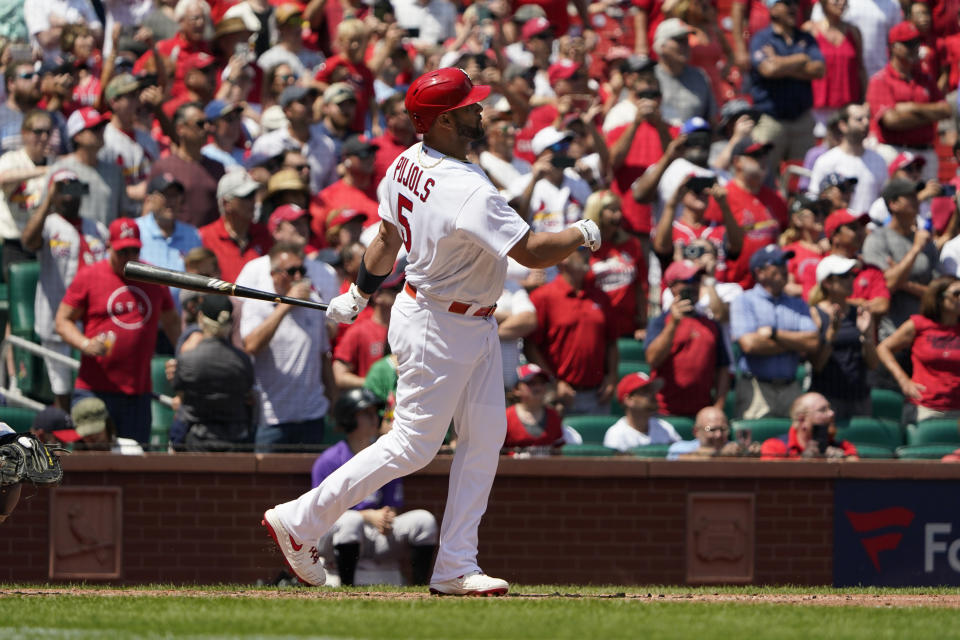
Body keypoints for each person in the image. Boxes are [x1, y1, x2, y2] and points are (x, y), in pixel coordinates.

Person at [261, 68, 601, 595]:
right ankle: (300, 520)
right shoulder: (466, 188)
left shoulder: (405, 163)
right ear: (444, 120)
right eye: (469, 106)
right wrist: (583, 231)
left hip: (469, 319)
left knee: (486, 437)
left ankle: (455, 565)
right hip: (438, 323)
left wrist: (358, 293)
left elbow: (385, 239)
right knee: (413, 445)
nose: (479, 111)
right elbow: (532, 251)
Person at [54, 219, 180, 444]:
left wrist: (182, 356)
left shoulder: (154, 278)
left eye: (134, 250)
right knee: (89, 462)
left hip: (137, 392)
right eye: (123, 251)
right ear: (109, 246)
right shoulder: (90, 276)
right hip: (95, 389)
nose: (129, 257)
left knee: (134, 464)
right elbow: (62, 320)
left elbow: (172, 322)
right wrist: (85, 344)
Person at [310, 387, 438, 586]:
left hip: (376, 532)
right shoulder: (328, 461)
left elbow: (392, 503)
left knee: (425, 521)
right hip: (335, 535)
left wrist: (387, 516)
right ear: (349, 418)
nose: (375, 418)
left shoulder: (385, 457)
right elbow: (320, 514)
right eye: (366, 413)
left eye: (374, 413)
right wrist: (367, 516)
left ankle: (421, 587)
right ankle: (347, 588)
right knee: (351, 522)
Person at [22, 169, 109, 411]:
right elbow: (28, 241)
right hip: (57, 319)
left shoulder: (97, 228)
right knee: (62, 390)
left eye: (74, 187)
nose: (69, 195)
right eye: (63, 188)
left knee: (91, 387)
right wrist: (48, 200)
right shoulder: (48, 224)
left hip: (93, 321)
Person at [240, 243, 334, 453]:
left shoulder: (314, 304)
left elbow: (323, 357)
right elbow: (252, 345)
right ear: (274, 275)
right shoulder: (258, 304)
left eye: (302, 270)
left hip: (311, 416)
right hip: (273, 418)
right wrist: (285, 306)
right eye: (291, 271)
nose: (298, 276)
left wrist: (333, 401)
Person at [731, 244, 820, 419]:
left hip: (790, 387)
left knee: (792, 442)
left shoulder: (798, 303)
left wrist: (774, 334)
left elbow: (813, 342)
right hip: (755, 388)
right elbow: (749, 344)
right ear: (760, 272)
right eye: (777, 263)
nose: (784, 268)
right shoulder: (744, 301)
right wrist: (794, 344)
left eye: (785, 263)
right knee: (755, 443)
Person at [526, 248, 618, 415]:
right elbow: (530, 347)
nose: (587, 255)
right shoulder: (543, 296)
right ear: (563, 258)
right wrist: (554, 383)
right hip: (559, 395)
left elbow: (611, 342)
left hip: (597, 395)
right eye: (580, 250)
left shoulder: (601, 297)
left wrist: (611, 377)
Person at [748, 0, 825, 177]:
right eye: (787, 3)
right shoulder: (761, 39)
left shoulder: (805, 38)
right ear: (773, 9)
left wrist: (780, 62)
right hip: (771, 120)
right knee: (762, 176)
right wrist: (800, 59)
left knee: (801, 179)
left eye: (795, 4)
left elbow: (819, 70)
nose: (793, 7)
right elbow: (768, 70)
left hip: (802, 120)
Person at [866, 21, 950, 179]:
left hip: (925, 151)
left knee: (926, 202)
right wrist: (929, 114)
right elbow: (891, 121)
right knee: (895, 201)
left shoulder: (925, 78)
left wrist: (910, 107)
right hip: (894, 150)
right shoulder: (881, 79)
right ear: (893, 47)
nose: (915, 48)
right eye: (909, 44)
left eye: (917, 43)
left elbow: (945, 110)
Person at [646, 259, 730, 417]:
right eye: (687, 281)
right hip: (663, 412)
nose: (693, 285)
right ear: (672, 286)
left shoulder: (711, 324)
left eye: (697, 280)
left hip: (700, 414)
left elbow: (723, 369)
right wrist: (673, 324)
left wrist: (718, 406)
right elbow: (653, 359)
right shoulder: (660, 322)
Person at [862, 178, 940, 346]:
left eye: (916, 195)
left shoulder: (926, 241)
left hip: (925, 336)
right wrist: (915, 249)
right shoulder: (877, 239)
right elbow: (885, 286)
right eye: (909, 196)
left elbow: (939, 293)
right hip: (890, 337)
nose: (916, 199)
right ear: (893, 204)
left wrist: (903, 282)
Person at [173, 295, 256, 452]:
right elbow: (247, 394)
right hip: (235, 442)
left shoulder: (188, 359)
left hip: (196, 443)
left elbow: (180, 394)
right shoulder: (242, 361)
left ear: (201, 317)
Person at [877, 276, 960, 422]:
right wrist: (904, 381)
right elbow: (883, 348)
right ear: (939, 298)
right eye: (957, 293)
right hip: (925, 408)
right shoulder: (919, 324)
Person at [807, 254, 879, 420]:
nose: (851, 279)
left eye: (852, 275)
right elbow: (817, 365)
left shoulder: (861, 313)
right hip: (828, 398)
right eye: (844, 276)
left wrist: (867, 336)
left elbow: (873, 364)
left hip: (859, 398)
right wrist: (832, 332)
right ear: (827, 282)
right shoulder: (814, 314)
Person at [46, 107, 130, 227]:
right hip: (72, 242)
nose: (101, 132)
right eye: (94, 129)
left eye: (102, 127)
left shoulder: (115, 172)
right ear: (77, 136)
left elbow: (122, 213)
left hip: (105, 242)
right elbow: (48, 209)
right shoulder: (62, 170)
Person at [147, 103, 226, 229]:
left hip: (209, 245)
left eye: (208, 123)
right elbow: (149, 210)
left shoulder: (218, 168)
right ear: (180, 129)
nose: (206, 128)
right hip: (178, 244)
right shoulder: (163, 167)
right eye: (200, 124)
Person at [582, 190, 648, 340]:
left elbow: (641, 285)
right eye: (612, 210)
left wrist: (643, 323)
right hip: (595, 325)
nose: (618, 215)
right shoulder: (584, 249)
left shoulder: (632, 244)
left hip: (626, 326)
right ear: (596, 212)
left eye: (619, 209)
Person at [135, 173, 202, 308]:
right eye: (166, 195)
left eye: (175, 195)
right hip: (143, 313)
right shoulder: (135, 230)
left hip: (180, 319)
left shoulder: (192, 235)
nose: (171, 201)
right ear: (149, 199)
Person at [807, 103, 888, 215]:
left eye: (867, 118)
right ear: (843, 125)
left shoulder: (879, 160)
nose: (866, 123)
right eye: (859, 119)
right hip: (838, 228)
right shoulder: (826, 161)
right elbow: (815, 197)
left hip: (869, 227)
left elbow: (883, 200)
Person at [0, 110, 53, 274]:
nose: (44, 137)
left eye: (47, 132)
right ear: (24, 134)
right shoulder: (12, 159)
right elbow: (3, 178)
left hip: (46, 243)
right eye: (38, 132)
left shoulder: (54, 161)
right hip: (15, 243)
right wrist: (44, 170)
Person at [332, 266, 404, 388]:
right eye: (395, 289)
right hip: (373, 403)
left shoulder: (404, 330)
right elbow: (339, 375)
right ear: (378, 297)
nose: (401, 293)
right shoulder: (360, 330)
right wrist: (374, 384)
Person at [199, 170, 273, 282]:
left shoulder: (265, 234)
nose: (253, 202)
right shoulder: (203, 237)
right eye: (246, 196)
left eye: (253, 195)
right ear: (226, 203)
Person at [652, 18, 717, 126]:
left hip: (695, 139)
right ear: (661, 46)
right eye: (679, 40)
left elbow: (712, 121)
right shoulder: (650, 77)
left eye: (686, 39)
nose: (686, 45)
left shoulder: (699, 76)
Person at [760, 392, 858, 458]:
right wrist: (804, 462)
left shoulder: (844, 447)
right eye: (823, 410)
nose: (832, 413)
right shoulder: (774, 447)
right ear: (802, 419)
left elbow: (858, 472)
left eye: (830, 408)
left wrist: (843, 463)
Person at [603, 371, 681, 451]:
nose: (652, 395)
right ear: (628, 399)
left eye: (652, 391)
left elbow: (681, 457)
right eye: (645, 391)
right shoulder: (616, 434)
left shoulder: (665, 427)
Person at [503, 364, 568, 454]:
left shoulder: (553, 415)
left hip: (547, 467)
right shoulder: (506, 417)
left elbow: (559, 451)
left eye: (542, 383)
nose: (538, 387)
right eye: (531, 383)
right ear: (516, 389)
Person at [667, 406, 759, 459]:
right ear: (696, 432)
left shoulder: (734, 449)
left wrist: (751, 455)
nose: (718, 435)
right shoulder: (680, 448)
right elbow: (680, 460)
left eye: (723, 429)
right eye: (711, 430)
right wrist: (720, 453)